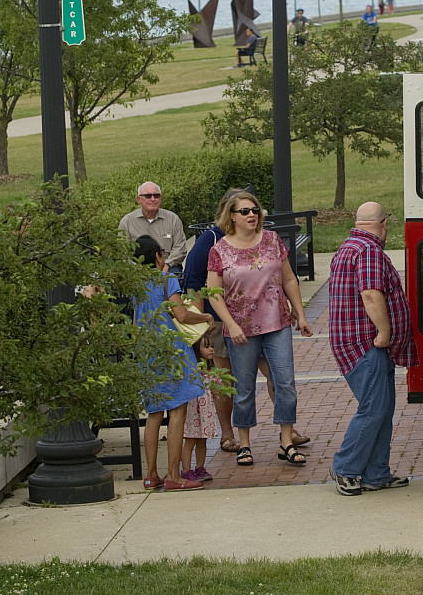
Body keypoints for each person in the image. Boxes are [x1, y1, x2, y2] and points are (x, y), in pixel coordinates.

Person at [183, 193, 310, 455]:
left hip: (277, 324)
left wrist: (300, 313)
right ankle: (244, 444)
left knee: (285, 382)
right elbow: (213, 293)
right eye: (244, 211)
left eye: (255, 210)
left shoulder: (272, 241)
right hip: (240, 329)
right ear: (231, 216)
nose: (252, 215)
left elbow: (288, 279)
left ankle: (286, 439)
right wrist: (230, 324)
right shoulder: (218, 249)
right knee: (243, 387)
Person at [327, 202, 417, 496]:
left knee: (381, 408)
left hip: (354, 343)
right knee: (374, 408)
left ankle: (376, 474)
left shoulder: (349, 247)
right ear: (384, 224)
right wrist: (385, 331)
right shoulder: (368, 251)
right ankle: (345, 469)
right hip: (365, 345)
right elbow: (369, 293)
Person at [132, 236, 209, 491]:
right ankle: (174, 475)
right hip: (172, 351)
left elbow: (135, 323)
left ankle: (151, 474)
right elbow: (181, 314)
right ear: (157, 256)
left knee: (154, 414)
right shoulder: (168, 280)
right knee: (177, 411)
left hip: (147, 352)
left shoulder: (137, 285)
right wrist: (205, 315)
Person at [180, 330, 221, 483]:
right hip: (193, 412)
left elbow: (217, 391)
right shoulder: (192, 371)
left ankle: (200, 467)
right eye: (206, 346)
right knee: (190, 441)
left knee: (203, 441)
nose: (211, 349)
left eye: (212, 346)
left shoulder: (212, 371)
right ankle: (186, 470)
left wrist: (218, 391)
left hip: (206, 413)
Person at [119, 181, 187, 272]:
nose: (153, 199)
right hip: (137, 269)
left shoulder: (173, 219)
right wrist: (138, 269)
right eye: (148, 196)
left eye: (156, 195)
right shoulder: (127, 222)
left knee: (175, 276)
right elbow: (122, 253)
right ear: (139, 199)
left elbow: (180, 248)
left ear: (161, 198)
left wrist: (165, 265)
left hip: (168, 266)